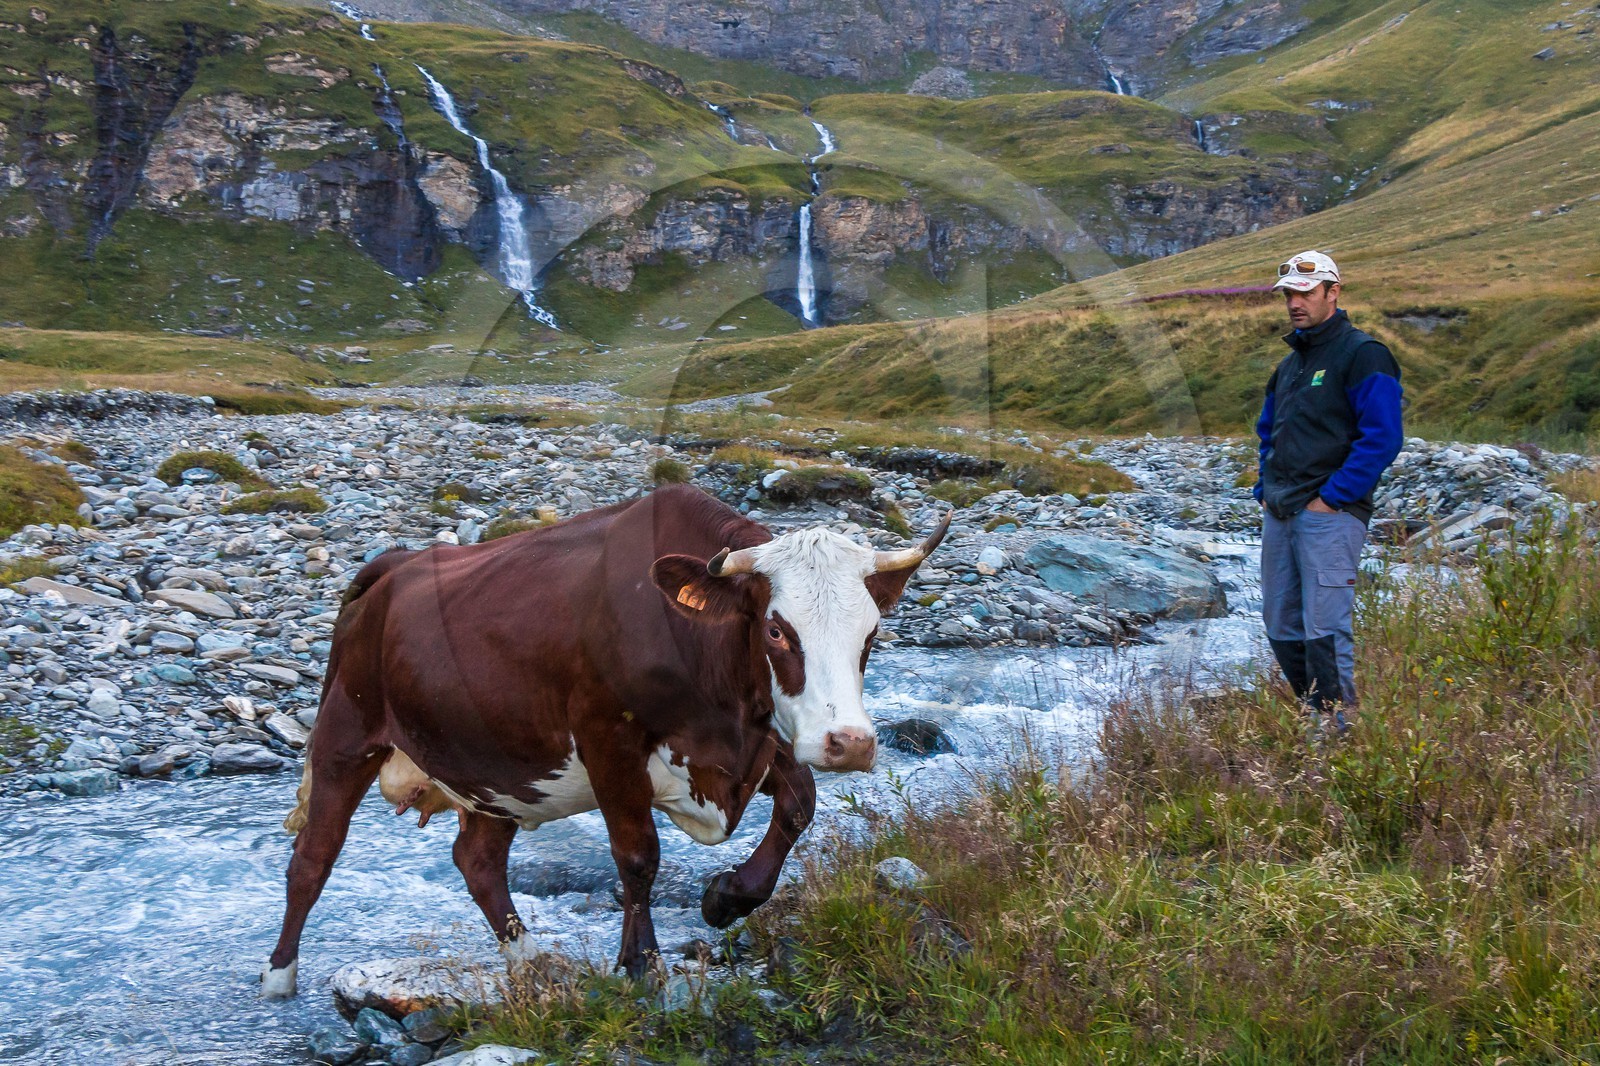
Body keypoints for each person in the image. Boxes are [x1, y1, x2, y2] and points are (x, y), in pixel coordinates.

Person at [1253, 250, 1403, 724]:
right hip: (1282, 510)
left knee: (1325, 628)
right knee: (1280, 625)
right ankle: (1314, 713)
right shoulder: (1289, 365)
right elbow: (1267, 432)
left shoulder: (1364, 354)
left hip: (1330, 514)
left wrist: (1331, 499)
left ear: (1333, 292)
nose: (1296, 303)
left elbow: (1382, 437)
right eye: (1289, 295)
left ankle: (1338, 732)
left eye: (1306, 293)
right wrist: (1266, 486)